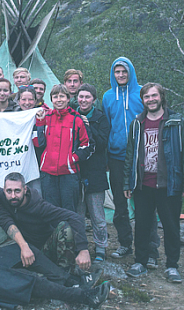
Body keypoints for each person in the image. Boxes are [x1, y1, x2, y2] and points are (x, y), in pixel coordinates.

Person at [123, 83, 184, 283]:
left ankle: (172, 266)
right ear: (142, 100)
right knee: (142, 225)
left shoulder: (176, 121)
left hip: (169, 183)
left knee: (171, 226)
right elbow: (130, 154)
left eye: (154, 95)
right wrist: (128, 183)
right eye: (146, 97)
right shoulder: (137, 123)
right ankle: (140, 262)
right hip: (143, 184)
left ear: (161, 97)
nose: (151, 99)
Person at [102, 57, 160, 261]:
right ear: (113, 74)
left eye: (124, 71)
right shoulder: (108, 97)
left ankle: (150, 249)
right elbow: (107, 126)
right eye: (117, 72)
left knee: (146, 203)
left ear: (130, 72)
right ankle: (125, 243)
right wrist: (108, 155)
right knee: (119, 204)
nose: (120, 75)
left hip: (141, 155)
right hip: (117, 156)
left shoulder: (141, 93)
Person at [0, 173, 93, 273]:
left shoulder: (39, 206)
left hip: (44, 249)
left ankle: (65, 272)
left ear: (25, 190)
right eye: (9, 191)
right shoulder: (2, 198)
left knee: (65, 227)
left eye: (17, 191)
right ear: (4, 190)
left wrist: (83, 249)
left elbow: (75, 218)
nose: (13, 196)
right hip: (22, 250)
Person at [36, 84, 94, 212]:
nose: (59, 100)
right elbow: (38, 143)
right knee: (51, 211)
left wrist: (72, 159)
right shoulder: (46, 118)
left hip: (69, 174)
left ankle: (70, 233)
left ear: (68, 99)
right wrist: (39, 124)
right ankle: (54, 233)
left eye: (62, 96)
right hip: (48, 174)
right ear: (51, 100)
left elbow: (87, 145)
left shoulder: (76, 119)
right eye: (55, 97)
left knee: (69, 211)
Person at [76, 84, 110, 262]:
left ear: (94, 100)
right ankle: (81, 246)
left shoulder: (100, 118)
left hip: (95, 172)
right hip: (77, 172)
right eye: (81, 97)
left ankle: (101, 247)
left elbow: (103, 143)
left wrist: (89, 126)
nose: (83, 100)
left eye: (87, 97)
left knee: (97, 214)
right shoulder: (72, 115)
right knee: (78, 214)